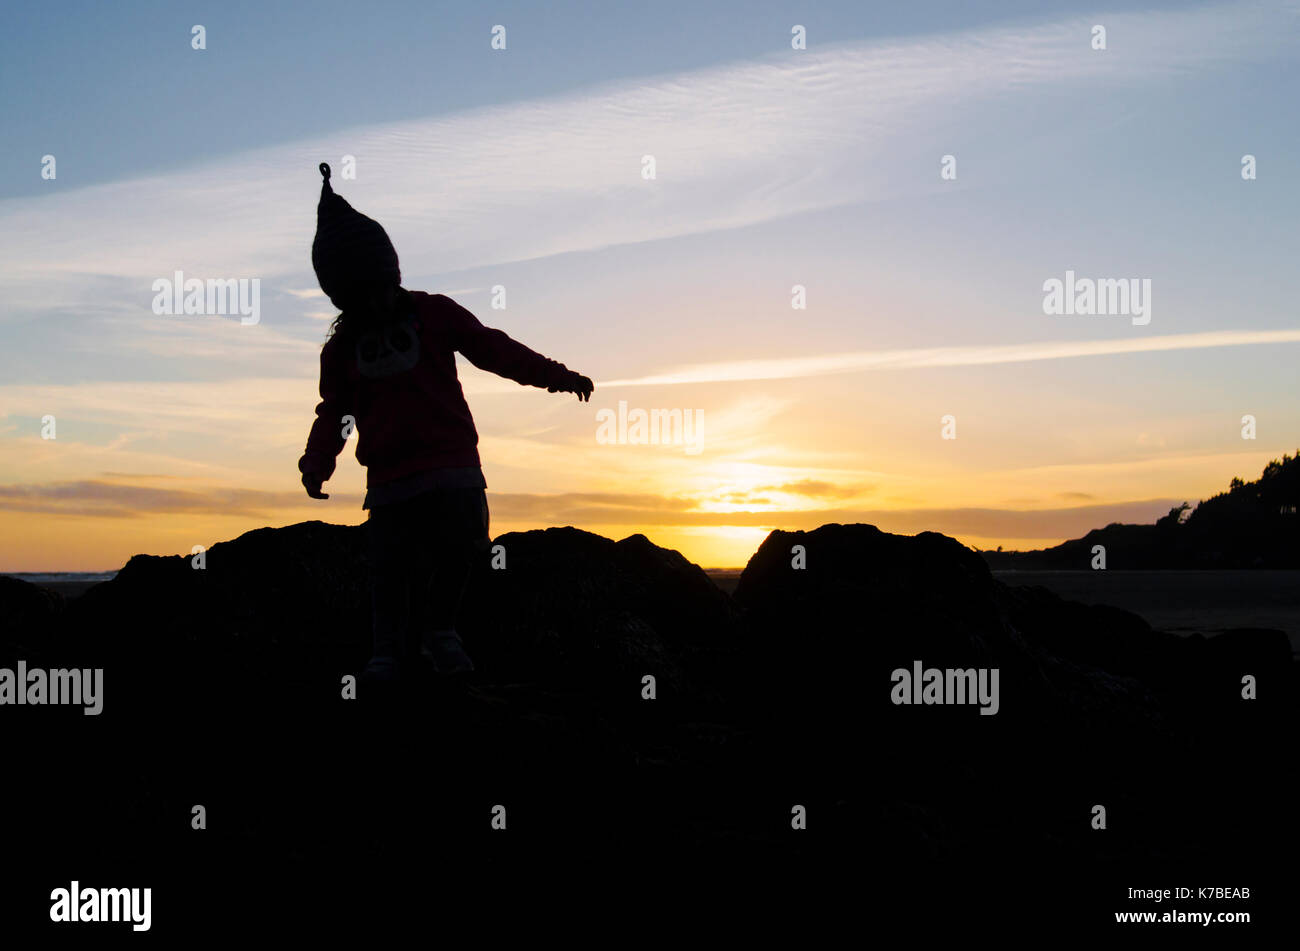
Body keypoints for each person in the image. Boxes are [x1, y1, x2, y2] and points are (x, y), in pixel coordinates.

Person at [299, 163, 593, 682]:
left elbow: (493, 349)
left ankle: (441, 630)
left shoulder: (435, 314)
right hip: (389, 481)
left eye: (382, 285)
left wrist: (557, 376)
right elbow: (337, 411)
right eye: (361, 294)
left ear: (393, 274)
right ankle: (386, 651)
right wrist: (319, 459)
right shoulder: (342, 350)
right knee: (388, 568)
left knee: (464, 547)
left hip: (454, 467)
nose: (377, 301)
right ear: (342, 296)